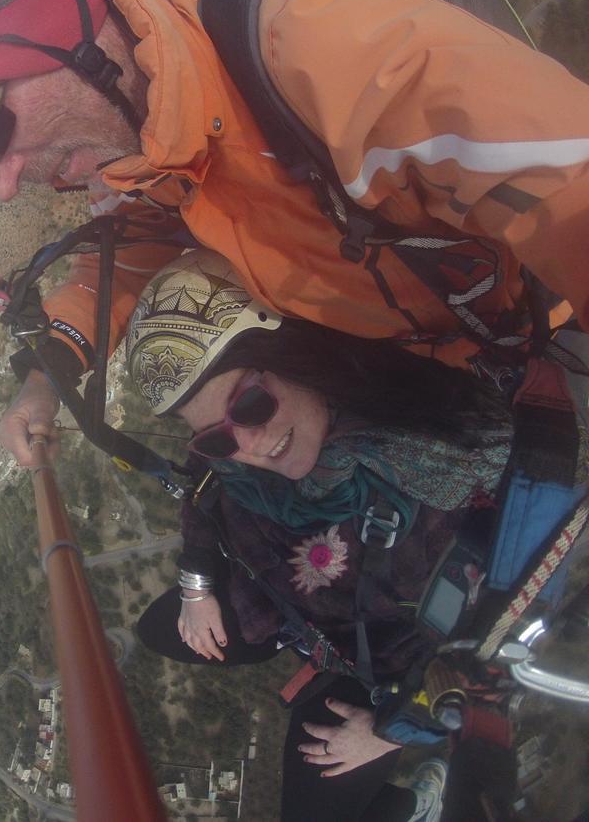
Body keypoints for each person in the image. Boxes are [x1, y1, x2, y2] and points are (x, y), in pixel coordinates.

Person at [0, 0, 589, 467]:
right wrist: (50, 372)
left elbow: (570, 189)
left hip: (547, 318)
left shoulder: (324, 43)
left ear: (54, 24)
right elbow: (135, 246)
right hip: (466, 362)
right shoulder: (148, 133)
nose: (0, 187)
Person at [123, 249, 559, 821]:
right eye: (218, 437)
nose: (248, 448)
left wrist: (389, 731)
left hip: (396, 668)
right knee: (160, 627)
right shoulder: (243, 457)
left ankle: (415, 806)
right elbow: (207, 481)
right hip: (306, 612)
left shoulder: (451, 458)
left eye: (250, 405)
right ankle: (295, 637)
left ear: (296, 356)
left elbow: (506, 643)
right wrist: (198, 580)